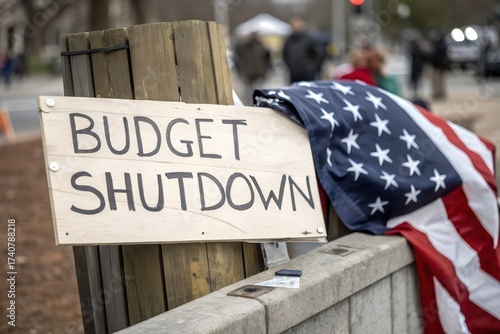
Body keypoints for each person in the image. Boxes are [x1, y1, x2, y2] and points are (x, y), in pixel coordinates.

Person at [283, 15, 324, 83]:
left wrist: (312, 68)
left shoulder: (310, 38)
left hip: (308, 74)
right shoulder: (289, 39)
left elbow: (319, 54)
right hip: (293, 73)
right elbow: (285, 54)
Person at [429, 30, 448, 100]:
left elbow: (437, 55)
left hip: (438, 66)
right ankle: (439, 93)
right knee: (438, 81)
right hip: (438, 65)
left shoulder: (440, 45)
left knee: (438, 81)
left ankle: (439, 93)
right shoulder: (439, 44)